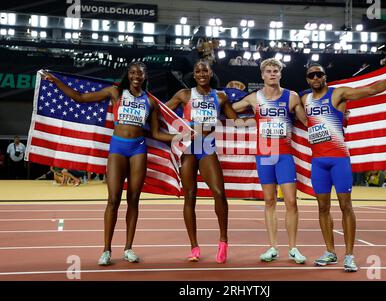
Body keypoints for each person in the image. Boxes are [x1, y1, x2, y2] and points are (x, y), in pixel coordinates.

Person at [41, 62, 176, 266]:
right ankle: (106, 250)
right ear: (128, 75)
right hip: (117, 149)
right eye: (132, 72)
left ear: (145, 76)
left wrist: (181, 136)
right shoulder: (115, 93)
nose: (136, 75)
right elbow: (80, 97)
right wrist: (57, 81)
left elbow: (156, 133)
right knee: (113, 200)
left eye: (140, 72)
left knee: (133, 199)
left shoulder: (151, 101)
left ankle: (128, 248)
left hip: (138, 149)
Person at [298, 62, 386, 272]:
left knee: (345, 206)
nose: (315, 78)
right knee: (322, 208)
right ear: (307, 79)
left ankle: (349, 255)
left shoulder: (338, 93)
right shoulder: (304, 99)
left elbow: (370, 90)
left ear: (324, 76)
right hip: (318, 162)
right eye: (311, 75)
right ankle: (330, 252)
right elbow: (293, 112)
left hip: (339, 159)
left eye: (318, 74)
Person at [232, 58, 308, 264]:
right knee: (269, 201)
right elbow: (228, 110)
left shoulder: (291, 97)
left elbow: (307, 121)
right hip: (264, 154)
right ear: (262, 75)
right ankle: (273, 247)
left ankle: (293, 248)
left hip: (284, 154)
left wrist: (338, 114)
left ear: (280, 74)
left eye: (276, 70)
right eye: (268, 71)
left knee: (291, 202)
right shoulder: (254, 99)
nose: (272, 74)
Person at [165, 60, 238, 263]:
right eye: (197, 71)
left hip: (207, 147)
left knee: (219, 192)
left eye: (204, 70)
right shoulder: (184, 95)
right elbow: (161, 111)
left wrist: (251, 108)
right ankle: (194, 247)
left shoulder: (220, 96)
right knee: (190, 196)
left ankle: (223, 241)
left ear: (210, 72)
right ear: (194, 75)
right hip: (188, 148)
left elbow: (236, 120)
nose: (201, 73)